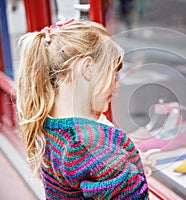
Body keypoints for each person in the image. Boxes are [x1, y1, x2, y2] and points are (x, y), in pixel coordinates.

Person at [16, 20, 149, 199]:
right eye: (113, 73)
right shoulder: (91, 142)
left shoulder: (51, 128)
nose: (116, 85)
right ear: (87, 68)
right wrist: (134, 175)